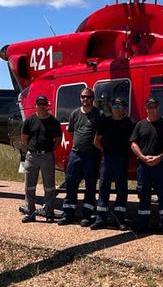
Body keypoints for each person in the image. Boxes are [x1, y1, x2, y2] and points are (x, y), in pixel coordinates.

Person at [130, 97, 163, 237]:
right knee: (143, 194)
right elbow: (133, 143)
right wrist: (143, 157)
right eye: (149, 107)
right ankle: (142, 224)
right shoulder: (140, 125)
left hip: (159, 164)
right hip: (143, 166)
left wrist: (160, 157)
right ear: (146, 108)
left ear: (158, 107)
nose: (152, 109)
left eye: (154, 106)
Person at [58, 87, 103, 226]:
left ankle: (87, 215)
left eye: (88, 97)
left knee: (90, 185)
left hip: (92, 156)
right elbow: (72, 132)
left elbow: (101, 135)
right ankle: (68, 213)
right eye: (83, 97)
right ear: (80, 98)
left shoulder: (98, 114)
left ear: (93, 99)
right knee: (71, 183)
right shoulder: (75, 114)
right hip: (76, 154)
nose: (86, 99)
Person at [91, 97, 134, 231]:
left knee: (122, 190)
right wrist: (106, 152)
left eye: (120, 106)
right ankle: (100, 219)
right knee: (103, 188)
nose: (117, 108)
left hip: (121, 160)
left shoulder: (129, 123)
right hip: (108, 160)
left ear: (124, 109)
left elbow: (133, 142)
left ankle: (119, 219)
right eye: (115, 106)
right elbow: (96, 141)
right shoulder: (105, 122)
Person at [19, 95, 62, 223]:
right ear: (36, 105)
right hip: (32, 155)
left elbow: (58, 140)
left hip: (47, 156)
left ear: (47, 105)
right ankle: (30, 211)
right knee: (29, 186)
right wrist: (31, 150)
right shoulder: (29, 121)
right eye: (39, 104)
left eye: (44, 104)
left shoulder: (53, 122)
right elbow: (24, 138)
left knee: (49, 186)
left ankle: (49, 211)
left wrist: (48, 151)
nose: (42, 106)